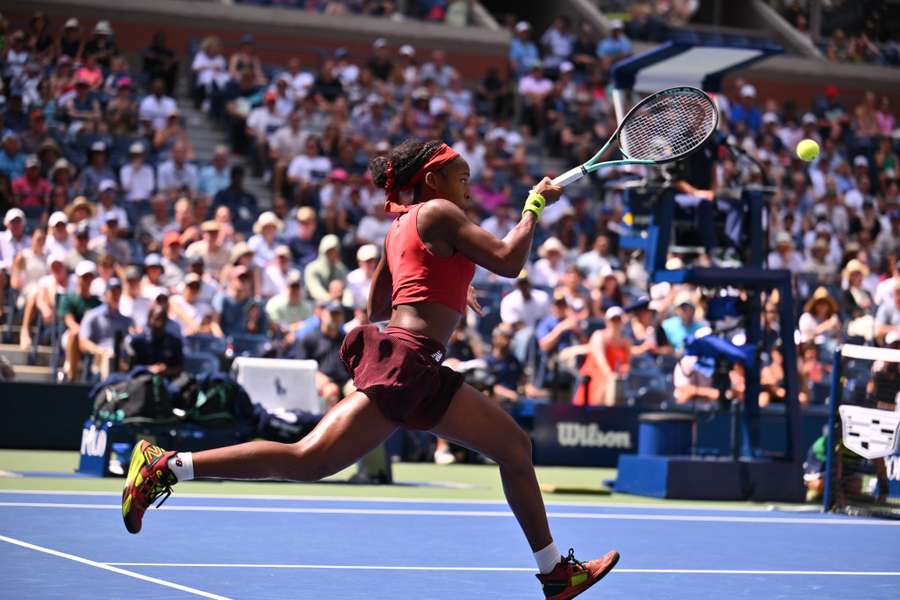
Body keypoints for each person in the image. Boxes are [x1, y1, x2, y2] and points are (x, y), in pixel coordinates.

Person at [121, 138, 618, 598]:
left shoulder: (401, 224)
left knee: (514, 448)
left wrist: (446, 278)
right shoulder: (440, 212)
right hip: (408, 361)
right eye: (461, 176)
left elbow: (382, 299)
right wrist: (534, 205)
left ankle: (555, 573)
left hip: (420, 365)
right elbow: (510, 261)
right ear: (432, 180)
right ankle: (165, 465)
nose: (467, 186)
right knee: (307, 460)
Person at [572, 306, 631, 406]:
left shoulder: (626, 342)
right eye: (613, 319)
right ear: (607, 321)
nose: (615, 323)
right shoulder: (599, 336)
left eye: (618, 319)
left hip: (614, 383)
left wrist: (620, 376)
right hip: (593, 380)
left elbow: (627, 365)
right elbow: (601, 362)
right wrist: (611, 377)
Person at [79, 278, 133, 379]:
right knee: (109, 356)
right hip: (99, 358)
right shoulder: (92, 315)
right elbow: (83, 342)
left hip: (121, 359)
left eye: (118, 292)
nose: (116, 296)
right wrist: (100, 350)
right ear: (105, 294)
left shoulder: (125, 320)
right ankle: (107, 388)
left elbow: (128, 343)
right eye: (113, 292)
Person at [125, 304, 183, 379]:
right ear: (149, 319)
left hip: (166, 381)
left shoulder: (174, 342)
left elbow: (179, 367)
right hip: (141, 381)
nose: (159, 323)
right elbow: (128, 367)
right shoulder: (137, 341)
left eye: (162, 319)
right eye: (157, 319)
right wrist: (148, 369)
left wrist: (166, 370)